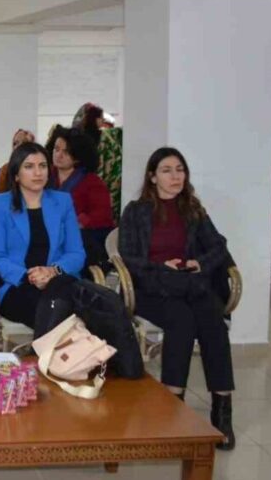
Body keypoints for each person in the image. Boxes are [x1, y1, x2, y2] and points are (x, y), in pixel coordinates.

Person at [118, 147, 235, 449]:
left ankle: (222, 412)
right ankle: (173, 410)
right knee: (182, 321)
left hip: (188, 283)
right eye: (167, 170)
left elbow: (219, 246)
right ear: (152, 176)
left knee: (213, 320)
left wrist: (201, 263)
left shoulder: (192, 209)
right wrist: (160, 266)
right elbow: (129, 258)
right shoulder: (136, 210)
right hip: (150, 286)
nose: (175, 176)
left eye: (180, 170)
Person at [0, 143, 85, 338]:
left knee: (79, 309)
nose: (38, 172)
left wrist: (53, 271)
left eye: (43, 166)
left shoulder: (62, 202)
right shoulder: (0, 204)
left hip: (58, 281)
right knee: (53, 314)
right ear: (16, 174)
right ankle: (51, 364)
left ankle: (58, 362)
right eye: (29, 167)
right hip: (17, 285)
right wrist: (29, 277)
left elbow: (77, 253)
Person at [46, 127, 115, 248]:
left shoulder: (92, 182)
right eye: (56, 149)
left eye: (66, 152)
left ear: (77, 156)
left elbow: (102, 215)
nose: (59, 155)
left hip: (79, 238)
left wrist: (79, 222)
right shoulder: (44, 176)